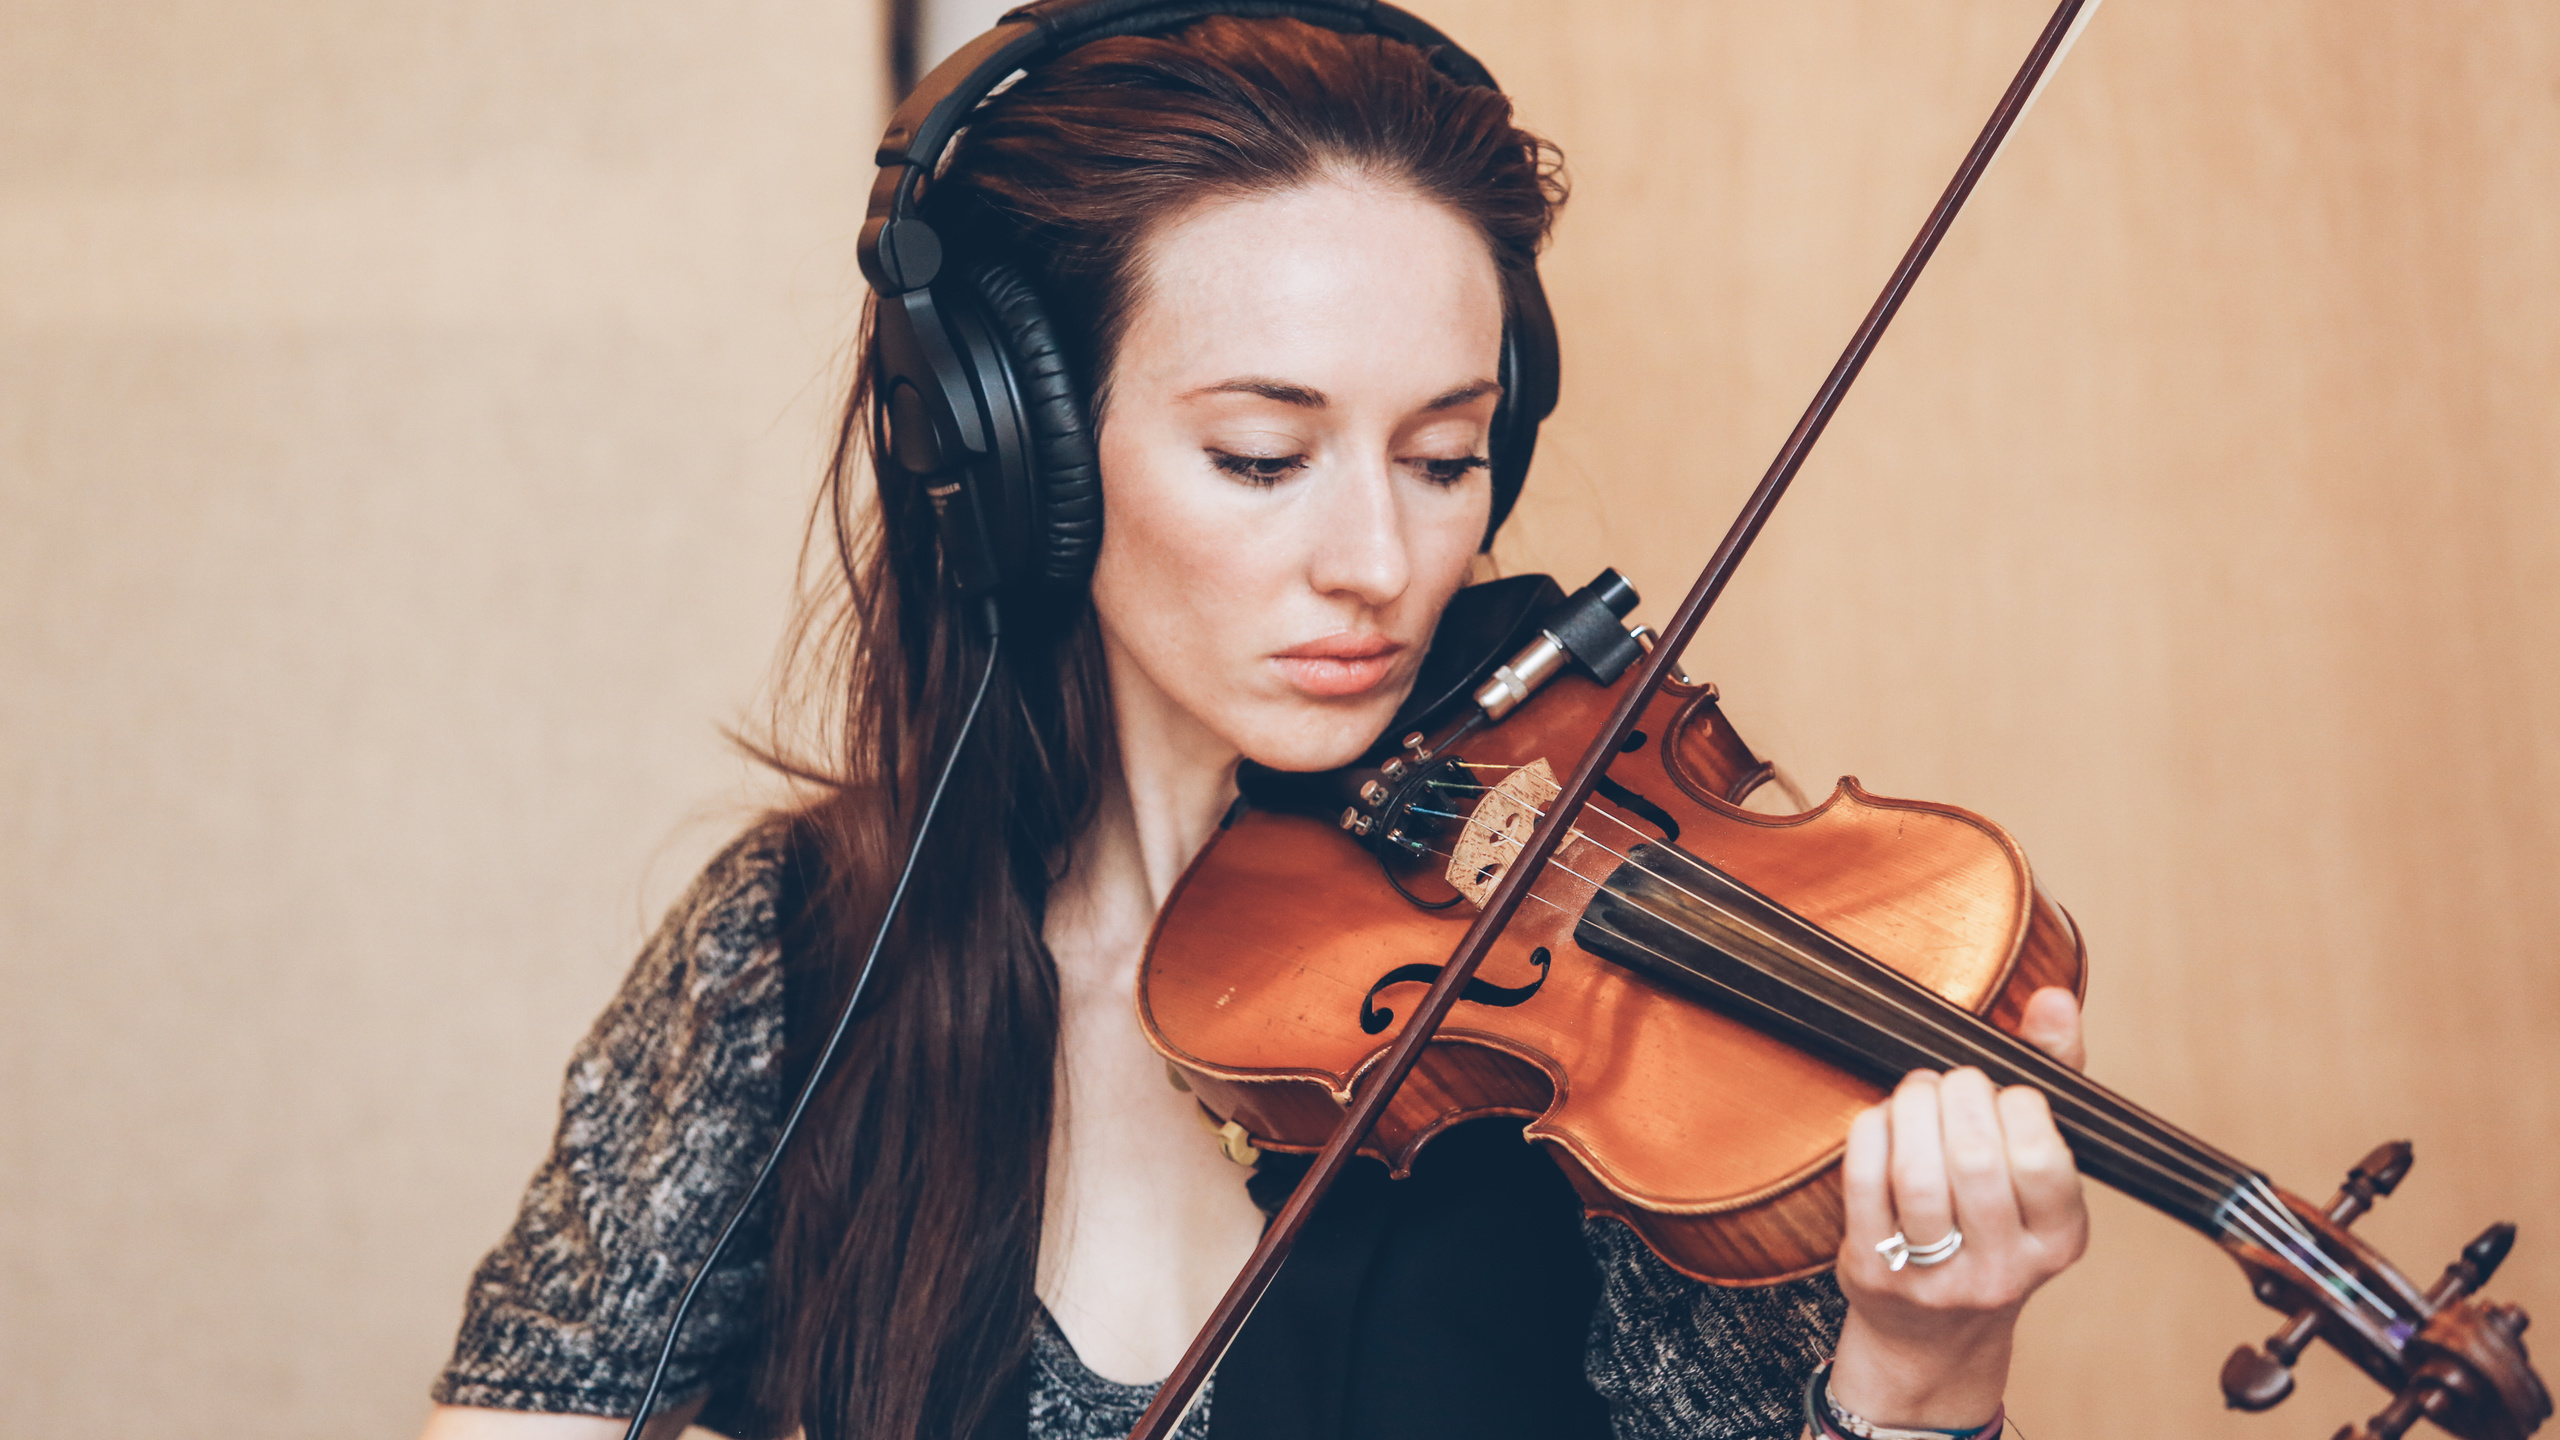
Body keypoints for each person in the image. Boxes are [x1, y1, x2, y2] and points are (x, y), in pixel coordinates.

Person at [420, 11, 2090, 1440]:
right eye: (1262, 459)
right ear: (1027, 471)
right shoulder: (799, 951)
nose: (1380, 563)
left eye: (1445, 460)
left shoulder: (1587, 1028)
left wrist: (1919, 1377)